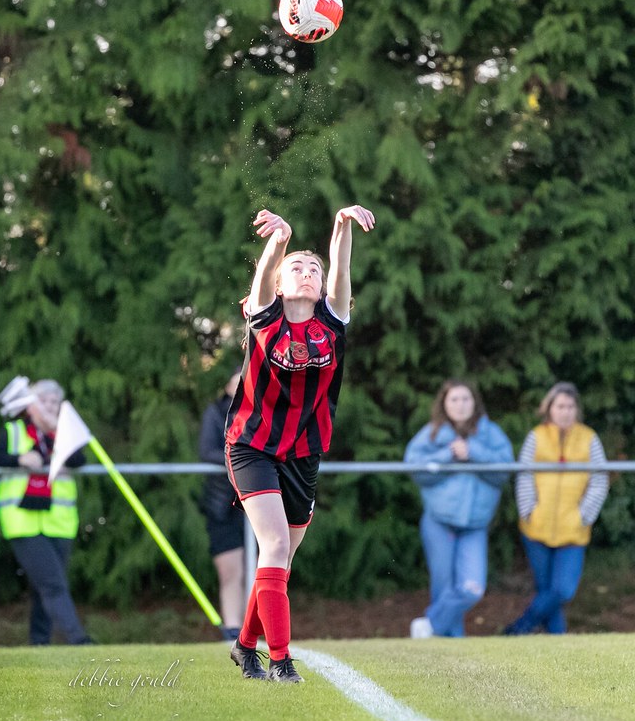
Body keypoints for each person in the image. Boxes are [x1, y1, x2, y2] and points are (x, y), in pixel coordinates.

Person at [225, 205, 374, 684]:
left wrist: (341, 224)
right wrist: (280, 241)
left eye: (314, 269)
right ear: (279, 283)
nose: (307, 273)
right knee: (272, 544)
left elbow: (341, 267)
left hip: (304, 452)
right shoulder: (264, 315)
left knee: (281, 558)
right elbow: (267, 270)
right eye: (297, 267)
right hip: (252, 445)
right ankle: (281, 661)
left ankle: (244, 646)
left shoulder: (332, 321)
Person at [0, 379, 92, 646]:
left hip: (59, 522)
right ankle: (78, 639)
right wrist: (18, 460)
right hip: (23, 521)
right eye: (44, 401)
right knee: (52, 583)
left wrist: (57, 433)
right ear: (30, 406)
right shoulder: (13, 431)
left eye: (55, 402)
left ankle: (39, 642)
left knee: (45, 586)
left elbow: (79, 459)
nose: (50, 406)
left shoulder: (63, 436)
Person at [403, 379, 514, 638]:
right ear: (444, 403)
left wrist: (473, 453)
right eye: (454, 399)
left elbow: (505, 471)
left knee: (471, 589)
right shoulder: (431, 433)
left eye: (466, 399)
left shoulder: (491, 434)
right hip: (439, 521)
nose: (460, 405)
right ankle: (451, 645)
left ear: (475, 403)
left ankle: (429, 626)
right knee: (442, 588)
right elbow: (415, 470)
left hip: (475, 524)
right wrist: (449, 455)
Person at [503, 382, 610, 635]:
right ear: (549, 408)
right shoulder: (537, 436)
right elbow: (525, 475)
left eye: (570, 407)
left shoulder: (588, 438)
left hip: (572, 530)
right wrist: (529, 511)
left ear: (577, 409)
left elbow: (599, 479)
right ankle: (557, 641)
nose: (565, 412)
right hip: (537, 528)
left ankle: (519, 629)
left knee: (562, 590)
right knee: (545, 590)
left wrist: (584, 515)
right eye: (560, 406)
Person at [198, 367, 246, 641]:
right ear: (227, 387)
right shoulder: (216, 413)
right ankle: (233, 630)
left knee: (261, 569)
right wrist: (241, 459)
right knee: (231, 571)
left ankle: (256, 628)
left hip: (257, 501)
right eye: (237, 382)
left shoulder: (266, 410)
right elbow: (207, 452)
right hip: (223, 504)